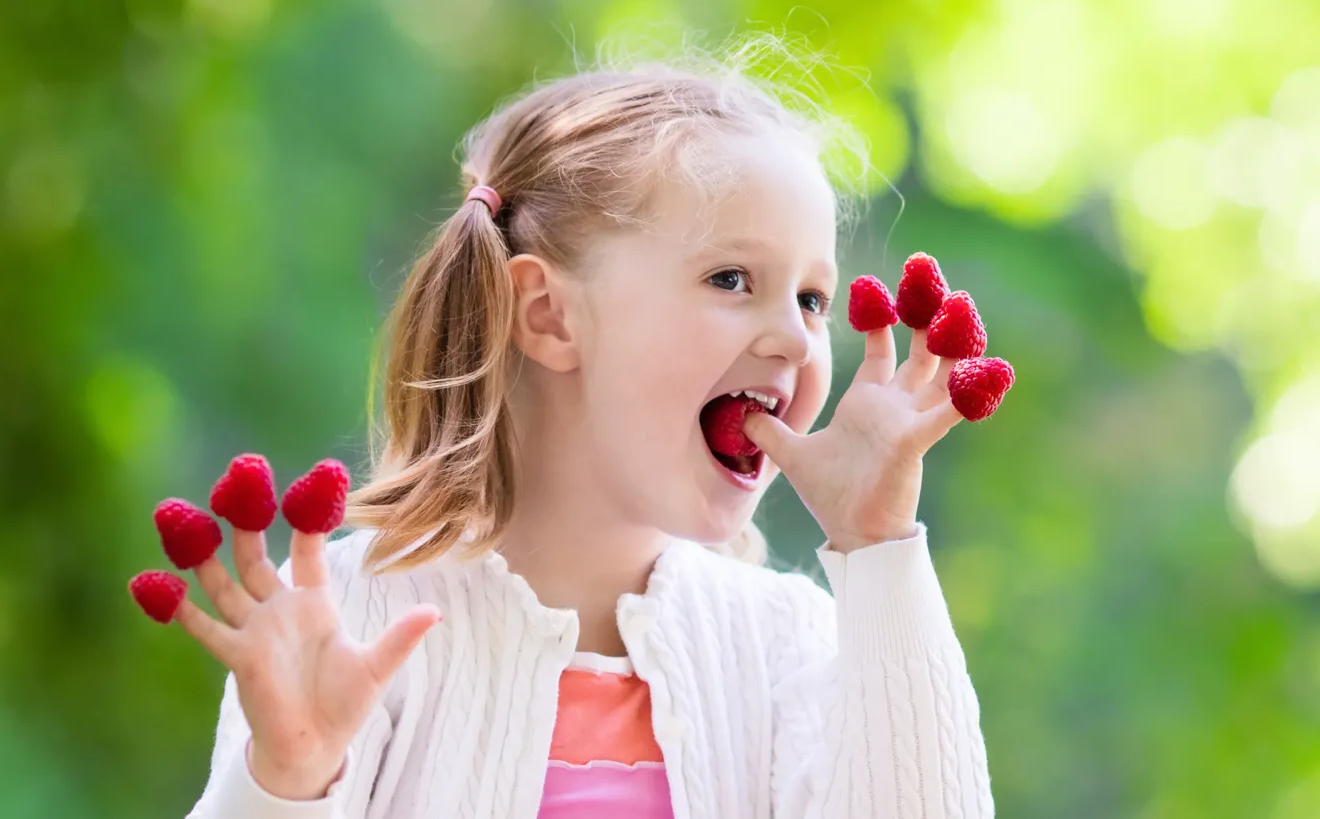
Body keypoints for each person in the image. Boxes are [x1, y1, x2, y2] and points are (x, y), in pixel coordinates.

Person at [175, 48, 994, 818]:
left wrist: (878, 549)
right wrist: (285, 782)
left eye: (813, 300)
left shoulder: (785, 643)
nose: (793, 337)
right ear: (550, 316)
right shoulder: (359, 612)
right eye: (732, 279)